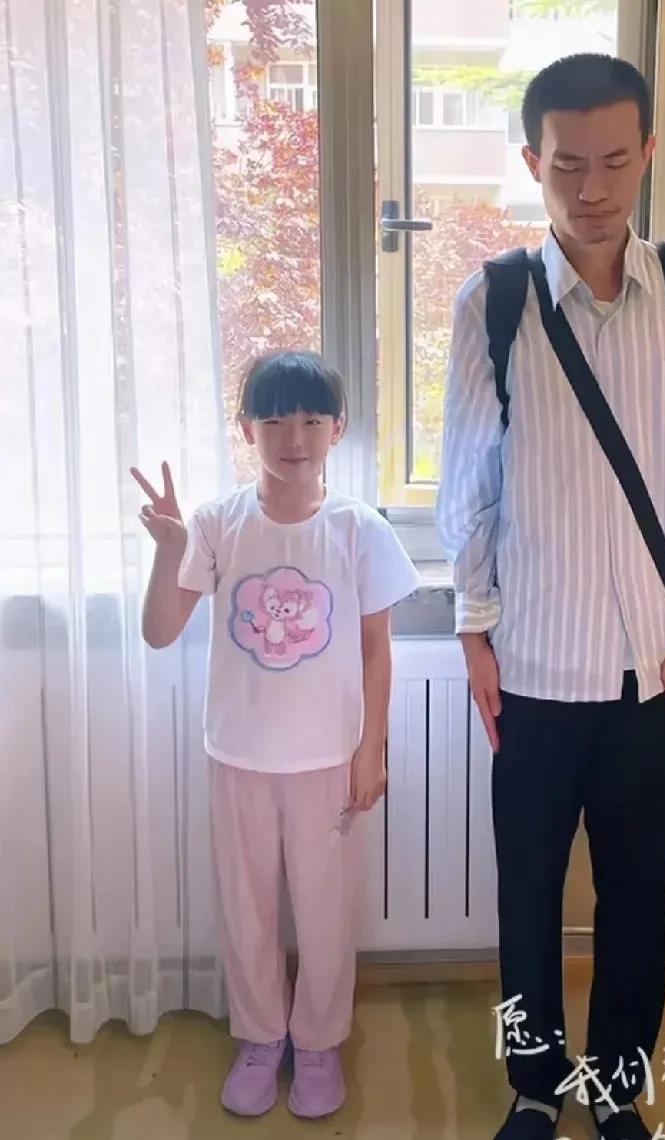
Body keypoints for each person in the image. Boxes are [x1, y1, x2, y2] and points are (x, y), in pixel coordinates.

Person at [437, 54, 665, 1140]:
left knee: (636, 901)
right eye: (567, 164)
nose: (592, 188)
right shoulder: (494, 303)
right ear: (532, 161)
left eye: (615, 160)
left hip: (649, 678)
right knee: (525, 898)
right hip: (529, 669)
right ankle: (535, 1084)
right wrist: (472, 626)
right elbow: (469, 482)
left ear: (648, 153)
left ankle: (617, 1087)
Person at [132, 351, 420, 1120]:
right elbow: (159, 632)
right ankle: (261, 1037)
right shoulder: (216, 524)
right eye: (275, 419)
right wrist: (169, 552)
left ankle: (319, 1042)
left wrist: (372, 750)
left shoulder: (359, 528)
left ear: (339, 428)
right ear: (246, 428)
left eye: (312, 419)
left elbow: (377, 650)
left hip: (329, 761)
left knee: (326, 914)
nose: (294, 436)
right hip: (239, 757)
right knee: (247, 908)